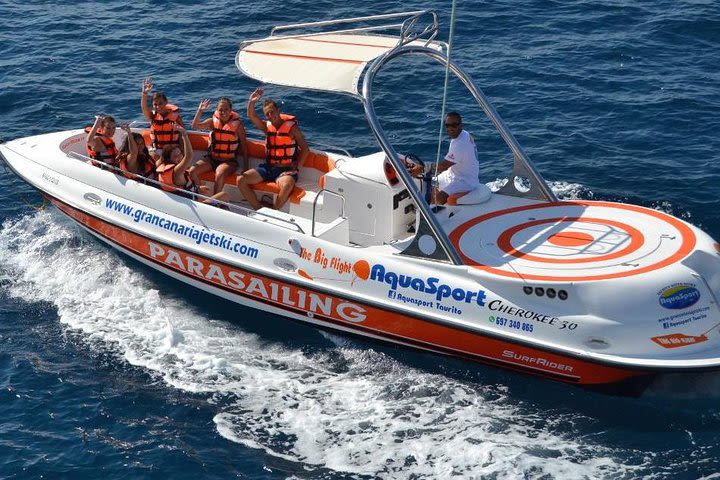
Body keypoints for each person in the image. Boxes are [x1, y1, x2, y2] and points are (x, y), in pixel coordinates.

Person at [236, 88, 308, 210]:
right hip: (268, 168)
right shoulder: (267, 127)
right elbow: (251, 116)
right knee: (240, 179)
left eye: (272, 112)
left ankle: (274, 212)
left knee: (287, 185)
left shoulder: (292, 129)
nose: (270, 116)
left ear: (278, 111)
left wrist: (295, 169)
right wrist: (251, 101)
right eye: (267, 114)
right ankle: (258, 209)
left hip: (286, 169)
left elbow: (305, 149)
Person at [188, 97, 248, 196]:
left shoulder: (238, 126)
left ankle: (214, 201)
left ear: (231, 110)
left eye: (226, 110)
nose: (223, 112)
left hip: (229, 162)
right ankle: (200, 195)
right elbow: (195, 126)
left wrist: (246, 168)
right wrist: (200, 111)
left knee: (219, 173)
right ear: (217, 110)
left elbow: (245, 148)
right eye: (220, 110)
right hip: (212, 159)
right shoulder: (212, 122)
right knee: (192, 171)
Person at [156, 125, 227, 204]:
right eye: (176, 156)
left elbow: (183, 188)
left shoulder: (167, 170)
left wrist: (198, 189)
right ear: (169, 159)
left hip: (187, 201)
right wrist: (184, 135)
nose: (180, 157)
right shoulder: (177, 171)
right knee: (224, 195)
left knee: (206, 189)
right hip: (196, 206)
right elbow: (189, 156)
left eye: (180, 154)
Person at [432, 112, 480, 205]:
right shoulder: (464, 134)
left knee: (439, 198)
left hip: (465, 181)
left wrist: (423, 168)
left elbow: (443, 166)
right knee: (431, 184)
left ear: (461, 126)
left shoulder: (460, 145)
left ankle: (434, 216)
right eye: (447, 125)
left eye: (454, 125)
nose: (450, 128)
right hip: (452, 174)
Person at [141, 76, 184, 160]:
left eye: (160, 103)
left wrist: (182, 149)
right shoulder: (153, 116)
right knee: (151, 156)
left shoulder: (175, 117)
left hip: (172, 150)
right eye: (155, 104)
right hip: (158, 150)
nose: (158, 107)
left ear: (166, 102)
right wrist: (144, 94)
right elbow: (144, 109)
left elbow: (182, 134)